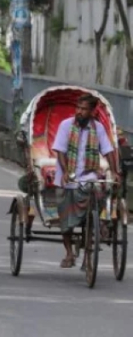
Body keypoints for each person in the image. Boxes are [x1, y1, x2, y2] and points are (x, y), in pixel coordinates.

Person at [52, 94, 119, 268]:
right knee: (65, 214)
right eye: (78, 108)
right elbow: (60, 151)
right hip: (67, 176)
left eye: (84, 109)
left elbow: (107, 151)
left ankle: (95, 232)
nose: (79, 112)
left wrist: (114, 171)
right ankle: (69, 254)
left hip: (88, 175)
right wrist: (66, 171)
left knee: (97, 195)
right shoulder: (66, 125)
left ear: (92, 111)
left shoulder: (98, 128)